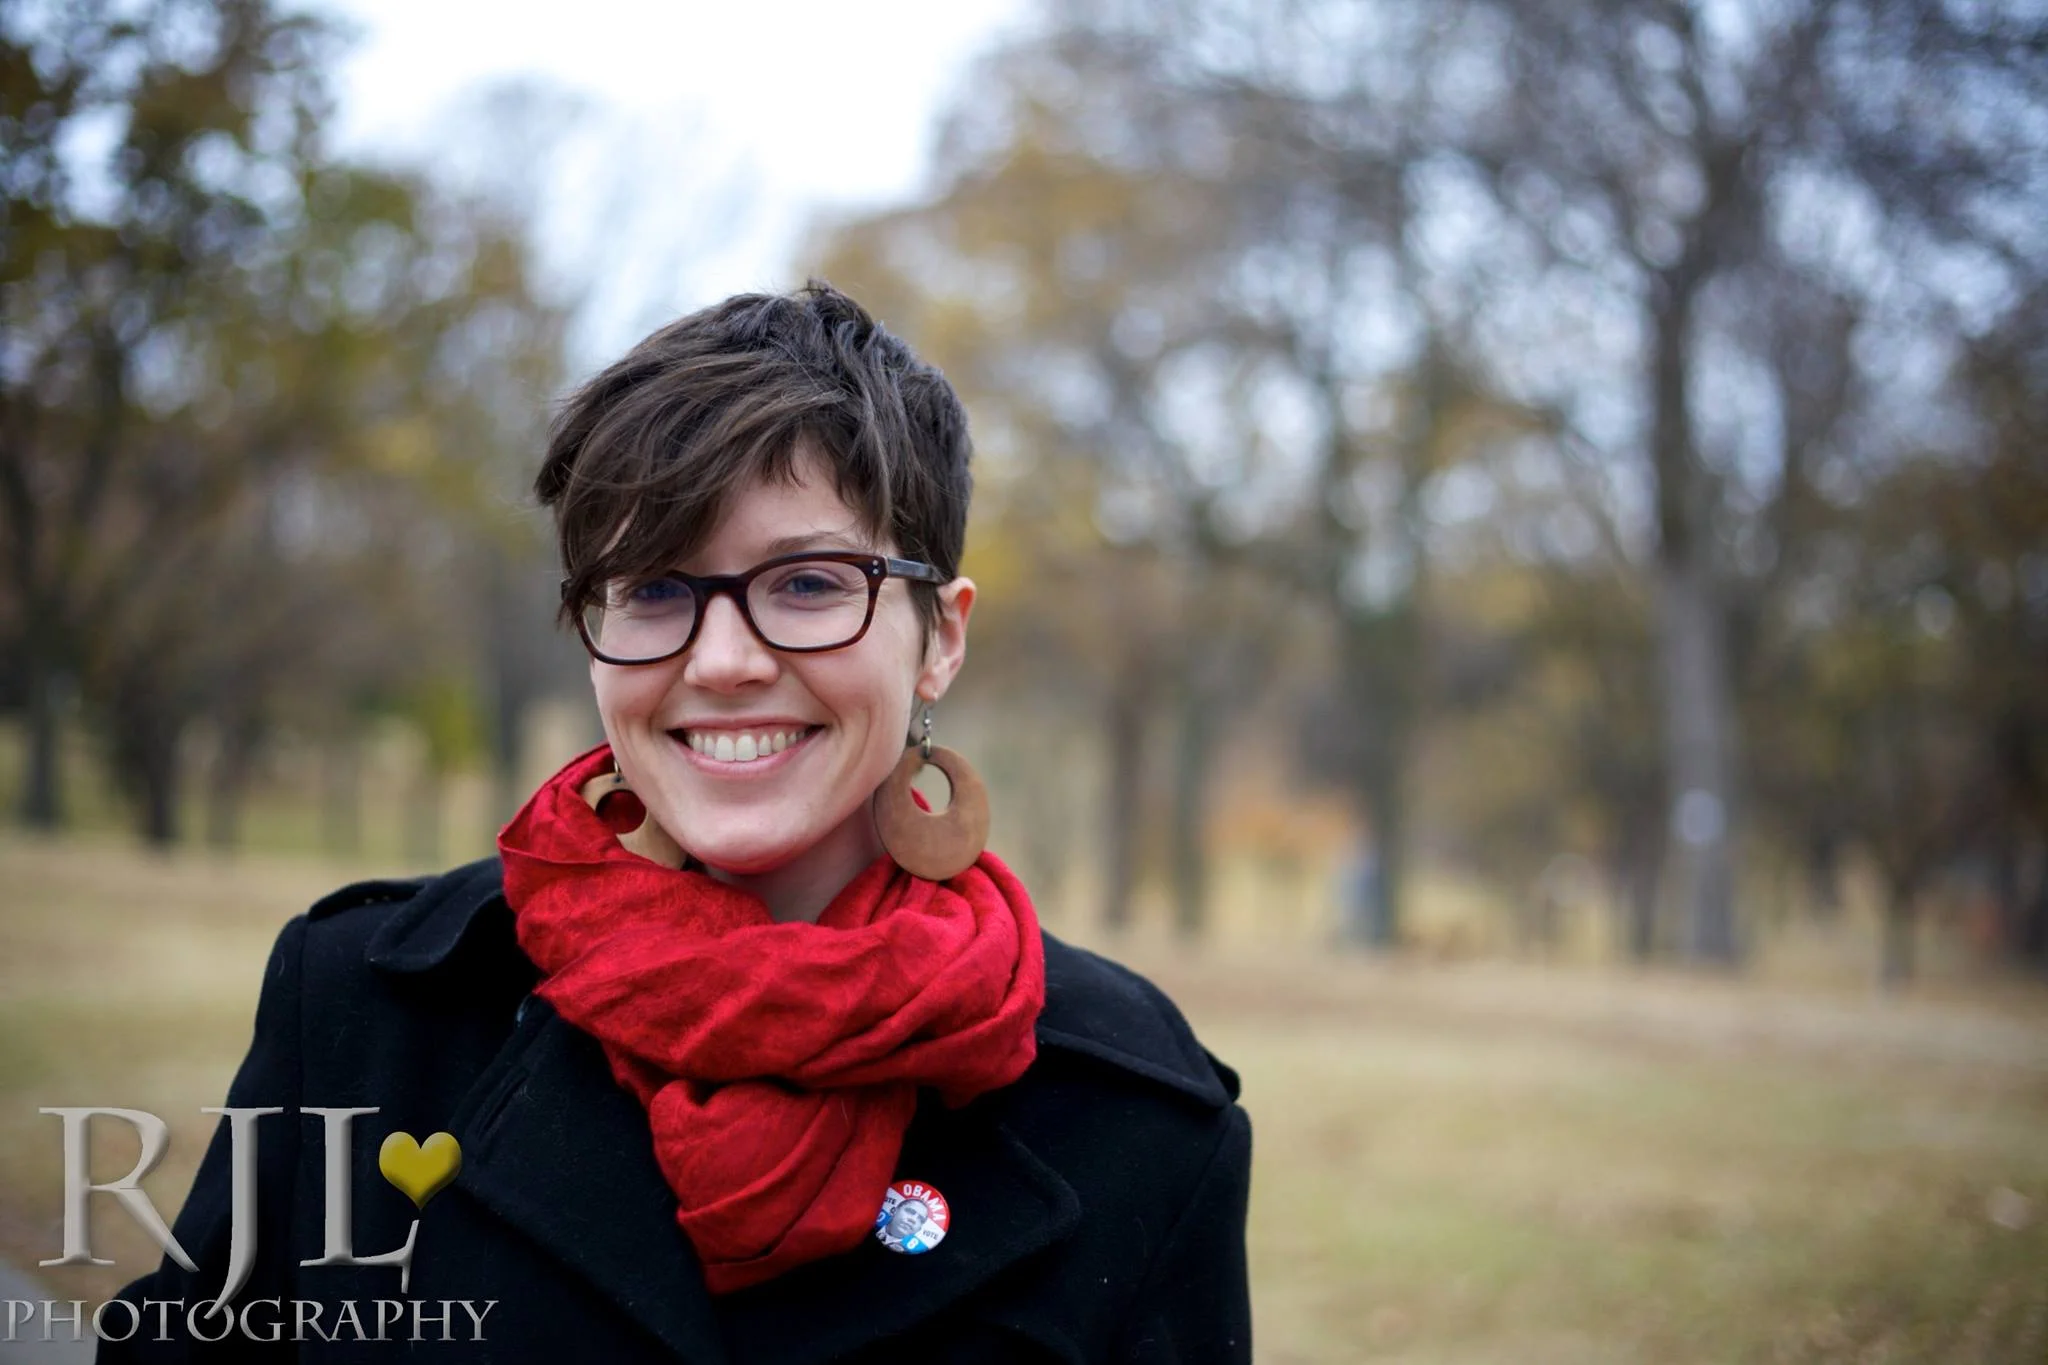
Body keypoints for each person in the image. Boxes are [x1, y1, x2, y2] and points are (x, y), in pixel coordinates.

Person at [101, 282, 1252, 1362]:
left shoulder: (1140, 1122)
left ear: (940, 637)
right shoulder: (364, 1007)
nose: (725, 660)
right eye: (653, 589)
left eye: (807, 584)